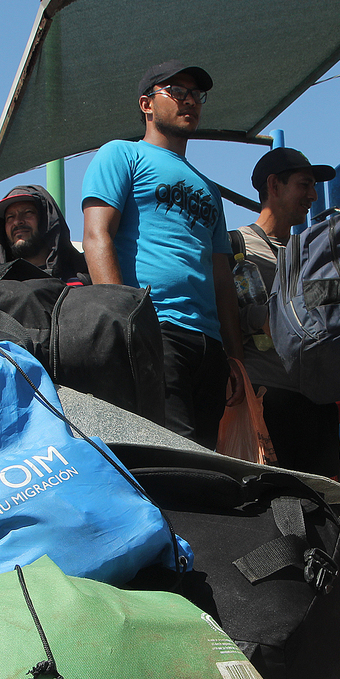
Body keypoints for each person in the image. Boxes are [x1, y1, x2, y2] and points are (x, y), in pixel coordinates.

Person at [82, 60, 244, 449]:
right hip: (154, 330)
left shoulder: (209, 189)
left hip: (209, 346)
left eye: (197, 95)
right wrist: (124, 325)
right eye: (177, 92)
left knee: (205, 457)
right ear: (147, 104)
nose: (190, 101)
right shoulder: (121, 154)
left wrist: (236, 359)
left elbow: (222, 277)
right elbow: (96, 235)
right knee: (176, 457)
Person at [231, 147, 340, 478]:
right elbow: (221, 316)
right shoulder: (235, 246)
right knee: (273, 500)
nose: (313, 196)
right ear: (274, 185)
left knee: (323, 503)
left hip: (317, 401)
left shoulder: (312, 252)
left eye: (314, 187)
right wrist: (261, 319)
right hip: (266, 398)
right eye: (304, 185)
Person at [0, 185, 89, 285]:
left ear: (47, 220)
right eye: (10, 217)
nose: (17, 221)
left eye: (28, 213)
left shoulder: (85, 274)